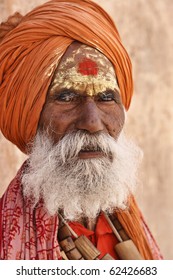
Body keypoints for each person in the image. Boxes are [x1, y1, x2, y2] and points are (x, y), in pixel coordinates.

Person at [0, 0, 162, 260]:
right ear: (32, 117)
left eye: (106, 97)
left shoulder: (125, 221)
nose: (92, 122)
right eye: (66, 97)